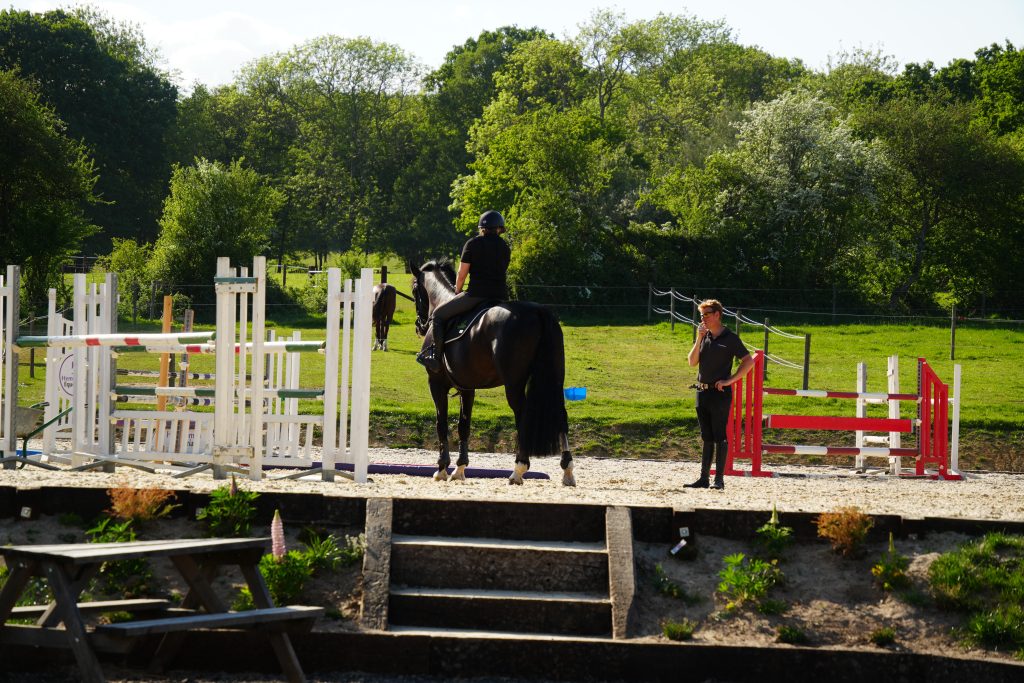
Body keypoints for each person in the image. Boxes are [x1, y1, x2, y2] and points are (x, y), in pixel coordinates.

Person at [416, 209, 511, 372]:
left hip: (476, 295)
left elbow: (461, 274)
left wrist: (457, 290)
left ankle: (435, 358)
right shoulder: (505, 247)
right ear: (499, 228)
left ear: (482, 228)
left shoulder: (473, 244)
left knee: (438, 315)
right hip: (501, 297)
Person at [684, 299, 755, 490]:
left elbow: (748, 361)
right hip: (702, 391)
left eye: (707, 314)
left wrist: (730, 380)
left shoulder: (730, 338)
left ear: (717, 314)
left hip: (720, 393)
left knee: (719, 436)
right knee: (706, 436)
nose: (703, 318)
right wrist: (698, 338)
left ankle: (719, 480)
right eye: (701, 315)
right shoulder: (704, 336)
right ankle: (704, 479)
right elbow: (692, 362)